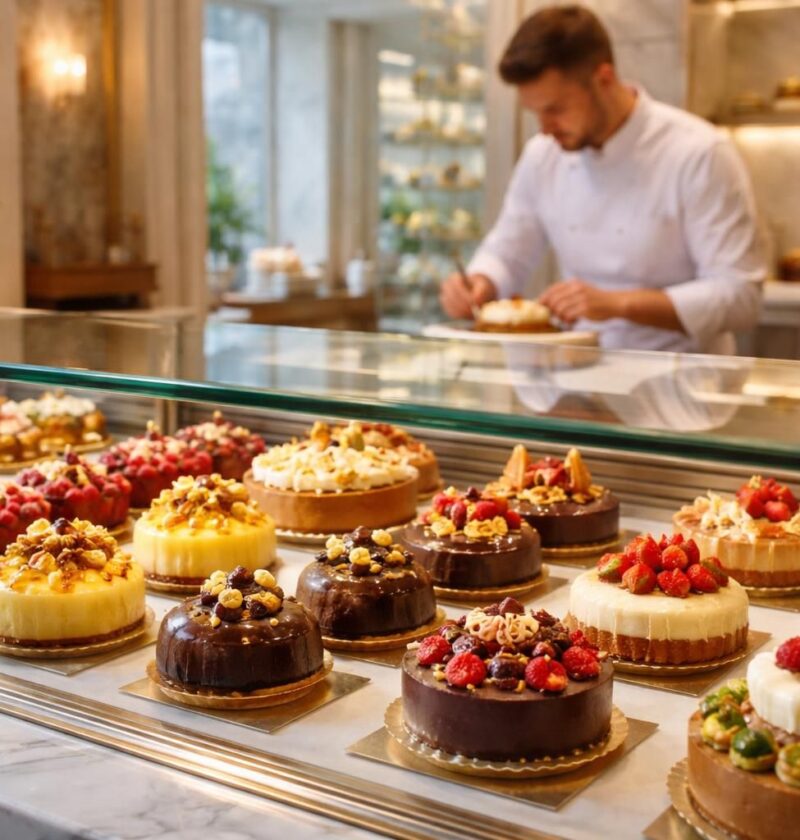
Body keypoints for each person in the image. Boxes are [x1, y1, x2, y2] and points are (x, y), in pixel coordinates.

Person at [440, 5, 765, 354]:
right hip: (576, 374)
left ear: (604, 79)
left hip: (682, 381)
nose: (545, 128)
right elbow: (508, 251)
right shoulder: (541, 156)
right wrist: (480, 282)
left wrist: (616, 304)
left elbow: (740, 297)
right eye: (535, 113)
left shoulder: (699, 153)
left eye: (555, 109)